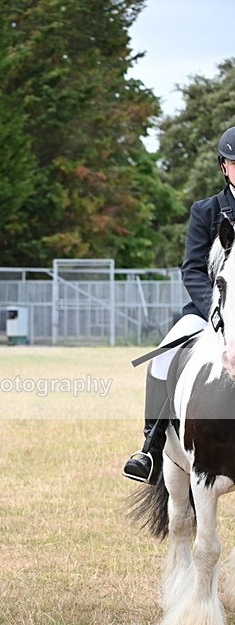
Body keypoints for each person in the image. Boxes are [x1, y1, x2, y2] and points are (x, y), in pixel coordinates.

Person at [123, 126, 235, 484]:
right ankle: (151, 448)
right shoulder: (207, 210)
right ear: (223, 167)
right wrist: (214, 311)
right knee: (162, 356)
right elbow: (192, 268)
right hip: (210, 312)